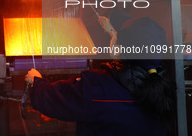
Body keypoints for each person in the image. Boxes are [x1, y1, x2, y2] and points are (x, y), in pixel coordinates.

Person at [25, 10, 176, 136]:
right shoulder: (164, 83)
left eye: (119, 38)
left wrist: (36, 83)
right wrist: (114, 31)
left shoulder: (99, 87)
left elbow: (58, 100)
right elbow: (144, 42)